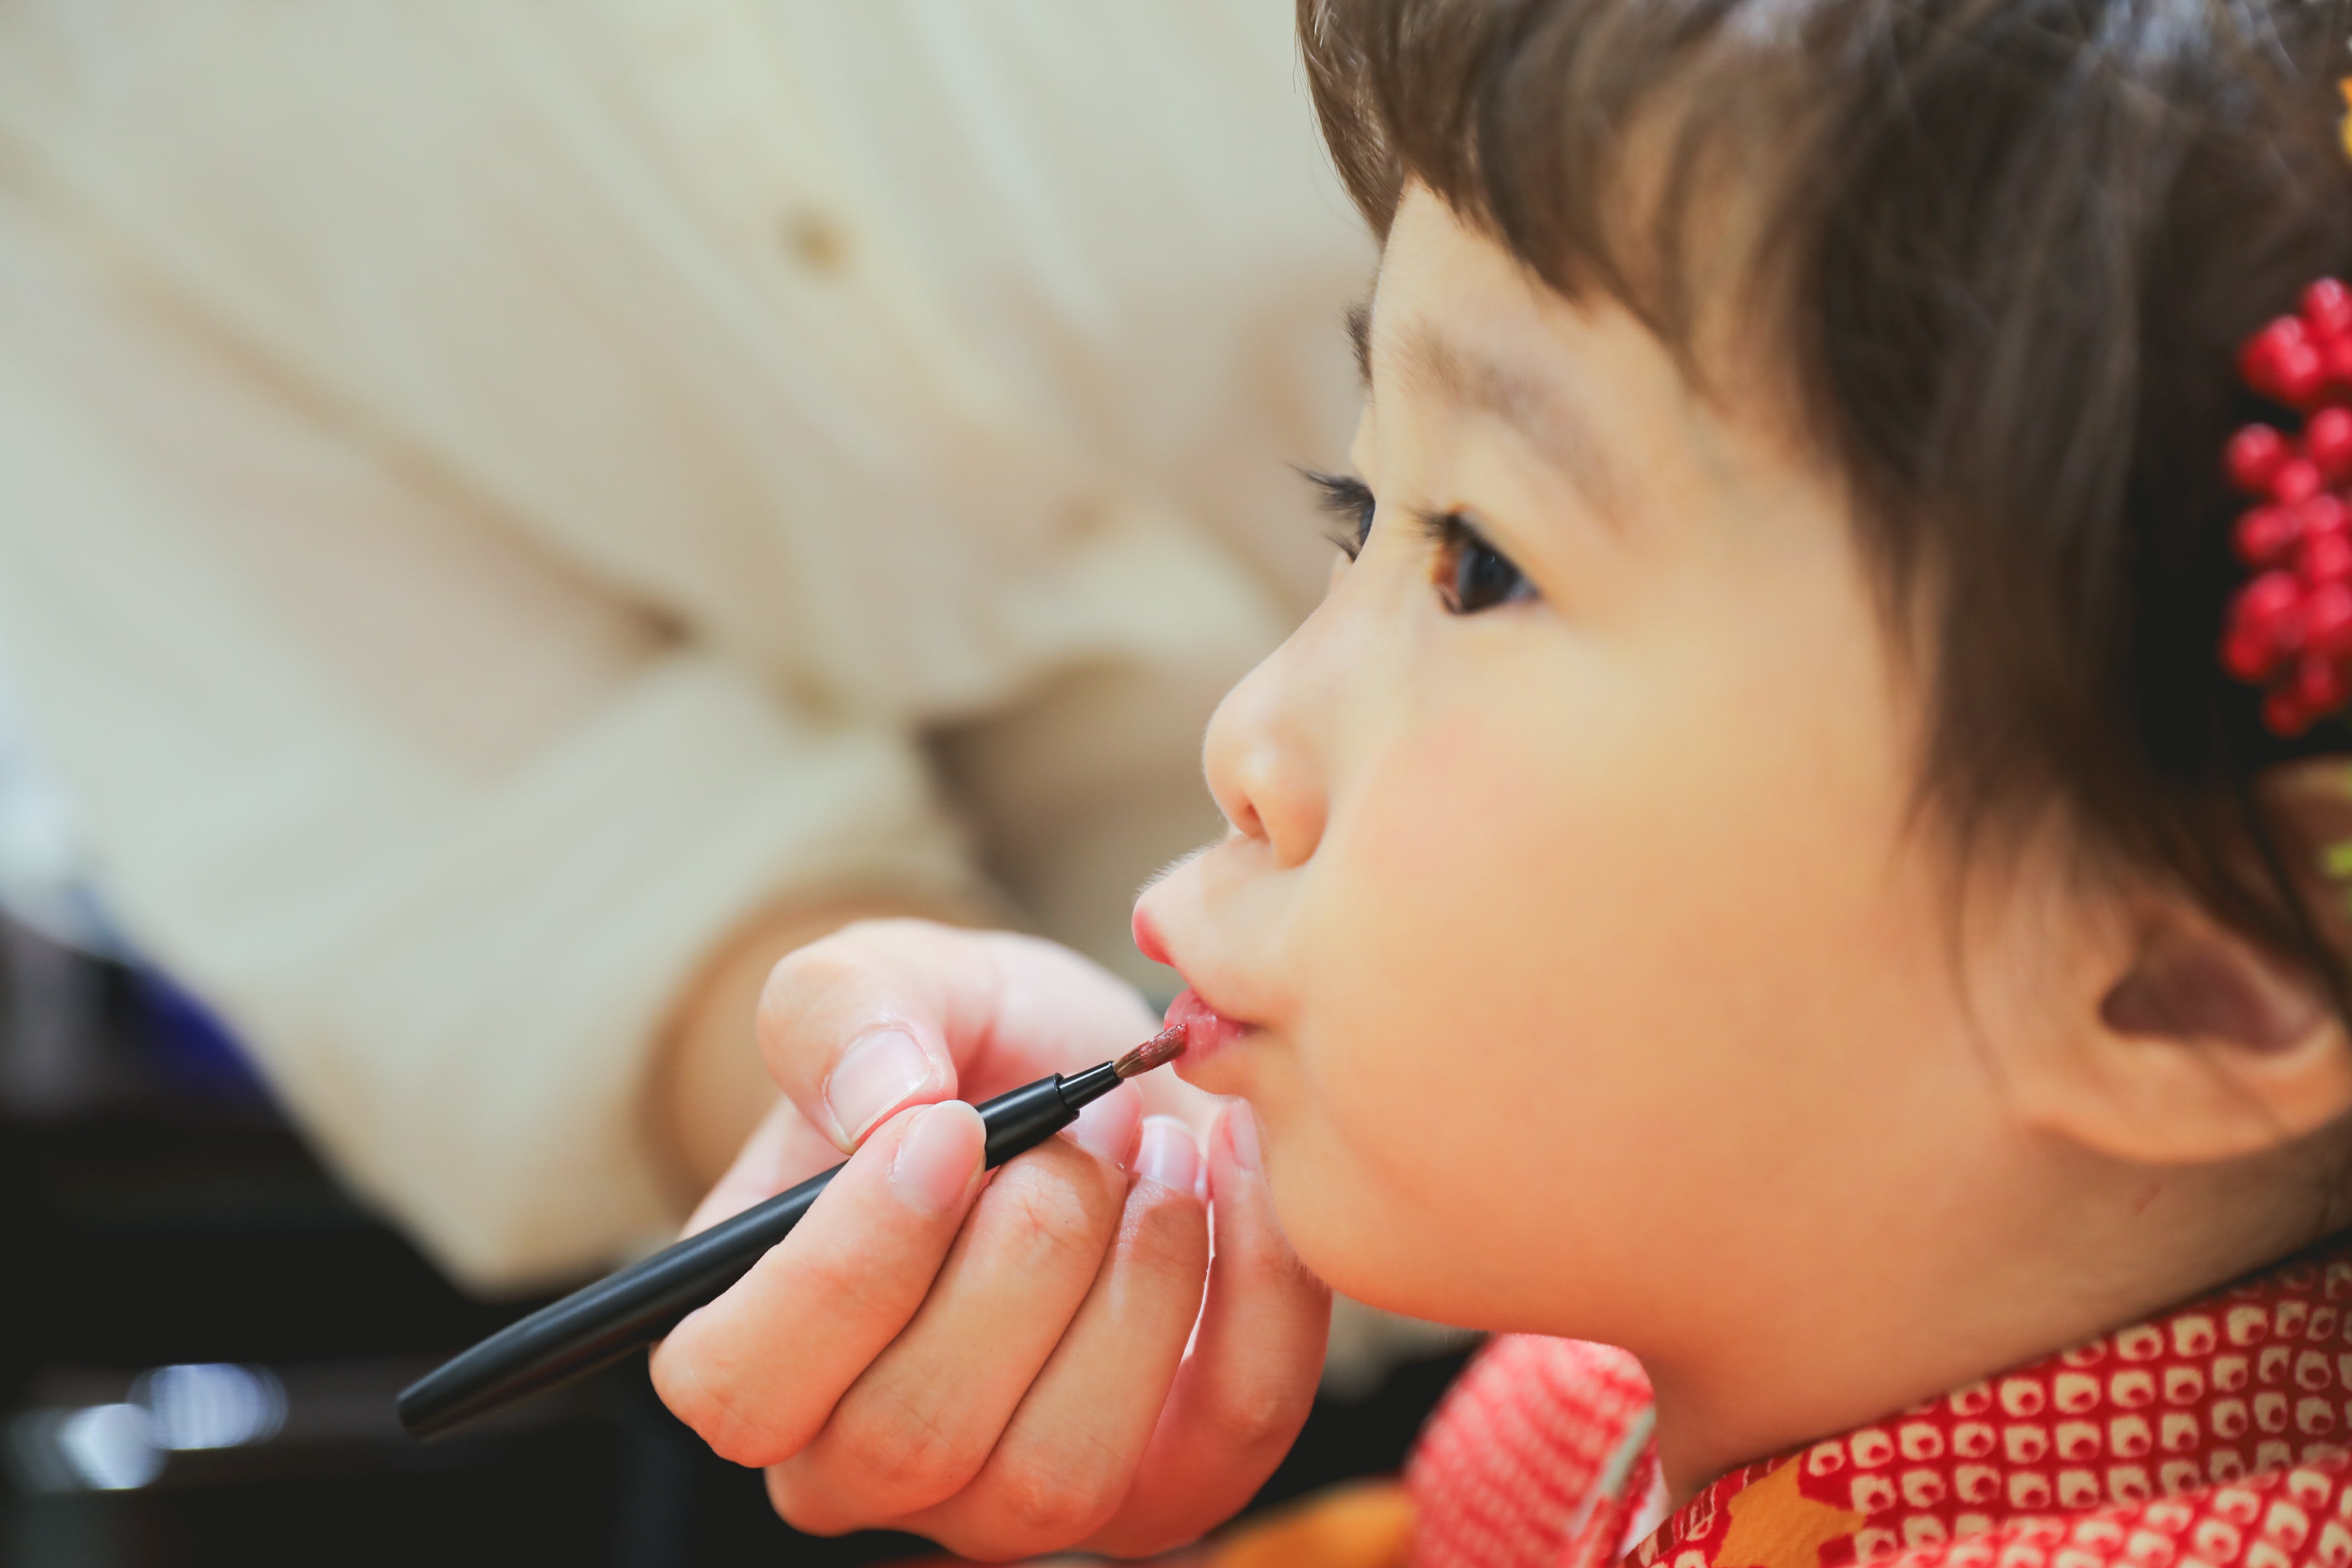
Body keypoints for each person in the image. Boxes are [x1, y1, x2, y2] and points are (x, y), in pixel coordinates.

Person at [646, 0, 2352, 1564]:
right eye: (1353, 511)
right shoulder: (1632, 1373)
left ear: (2175, 983)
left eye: (1480, 565)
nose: (1248, 735)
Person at [0, 3, 1369, 1291]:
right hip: (1241, 1297)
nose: (1250, 757)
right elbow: (557, 878)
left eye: (1471, 564)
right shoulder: (55, 100)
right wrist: (899, 1085)